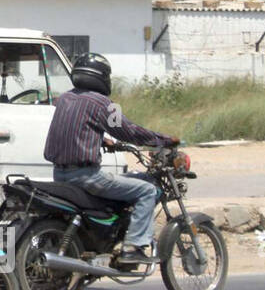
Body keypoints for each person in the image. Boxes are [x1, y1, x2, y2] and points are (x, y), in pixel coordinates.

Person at [44, 53, 179, 267]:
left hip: (60, 173)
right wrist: (161, 139)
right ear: (103, 77)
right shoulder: (105, 103)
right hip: (86, 177)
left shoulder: (65, 98)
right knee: (146, 190)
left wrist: (103, 139)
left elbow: (77, 128)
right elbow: (128, 131)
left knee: (123, 183)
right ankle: (132, 248)